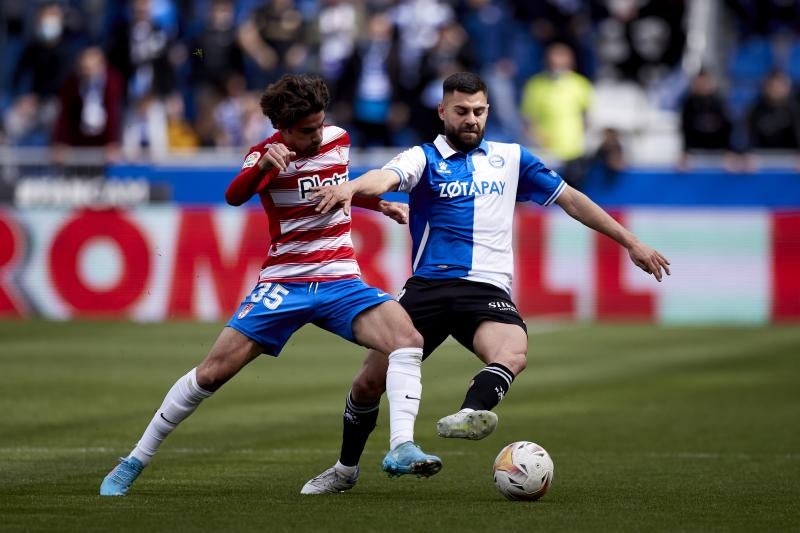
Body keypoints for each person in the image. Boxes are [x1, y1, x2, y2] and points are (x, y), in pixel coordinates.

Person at [305, 71, 670, 494]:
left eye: (478, 111)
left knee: (513, 351)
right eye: (461, 111)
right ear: (443, 111)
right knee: (369, 383)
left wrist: (630, 241)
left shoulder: (513, 159)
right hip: (429, 287)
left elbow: (571, 199)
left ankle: (471, 412)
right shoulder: (422, 157)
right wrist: (351, 188)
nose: (471, 119)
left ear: (488, 111)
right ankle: (345, 470)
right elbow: (385, 178)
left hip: (487, 289)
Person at [99, 74, 441, 497]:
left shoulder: (338, 138)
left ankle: (401, 447)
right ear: (283, 128)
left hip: (339, 279)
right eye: (306, 131)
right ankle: (134, 460)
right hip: (284, 283)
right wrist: (261, 167)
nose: (317, 136)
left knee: (407, 338)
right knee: (211, 373)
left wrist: (376, 202)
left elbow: (332, 186)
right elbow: (234, 195)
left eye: (320, 125)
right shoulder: (264, 155)